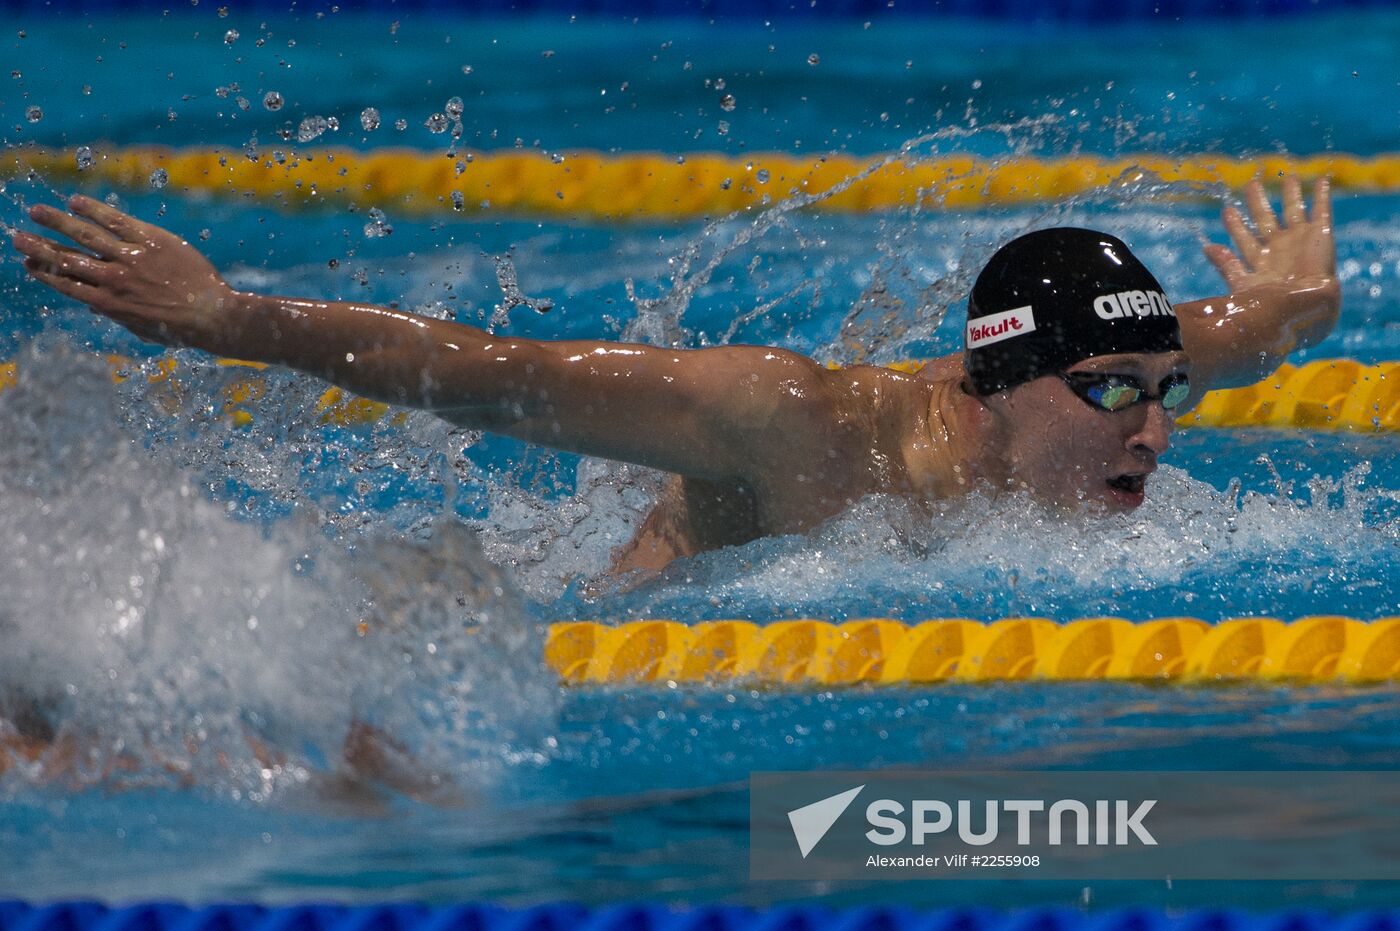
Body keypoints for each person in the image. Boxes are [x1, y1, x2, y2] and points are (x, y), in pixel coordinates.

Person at [11, 176, 1339, 578]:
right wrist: (231, 316)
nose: (1156, 430)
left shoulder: (1109, 384)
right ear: (994, 383)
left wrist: (1295, 304)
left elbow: (1231, 332)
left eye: (1172, 394)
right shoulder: (795, 427)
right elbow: (489, 374)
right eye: (1117, 393)